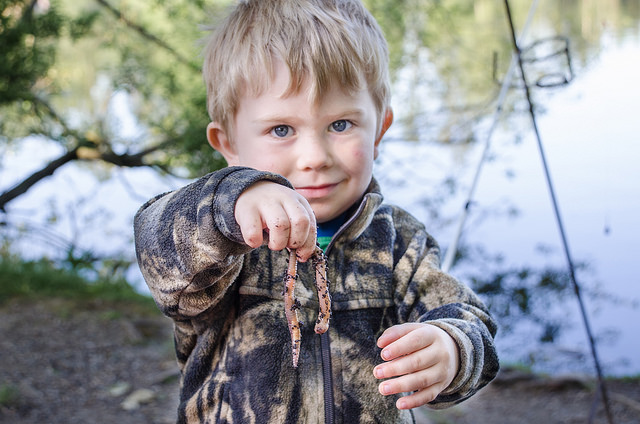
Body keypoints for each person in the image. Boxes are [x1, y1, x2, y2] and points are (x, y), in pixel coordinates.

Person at [133, 0, 499, 422]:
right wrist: (229, 201)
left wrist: (451, 348)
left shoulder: (399, 241)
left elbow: (470, 320)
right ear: (229, 143)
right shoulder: (222, 238)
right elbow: (158, 247)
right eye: (281, 129)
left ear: (379, 129)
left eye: (340, 125)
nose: (314, 157)